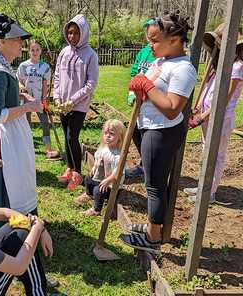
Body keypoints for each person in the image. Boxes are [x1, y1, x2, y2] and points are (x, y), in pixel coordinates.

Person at [119, 11, 196, 253]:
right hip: (148, 126)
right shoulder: (162, 61)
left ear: (174, 40)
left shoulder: (183, 69)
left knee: (154, 185)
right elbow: (145, 81)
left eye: (154, 40)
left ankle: (153, 238)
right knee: (151, 181)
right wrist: (140, 84)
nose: (149, 45)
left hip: (162, 131)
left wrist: (146, 85)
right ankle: (154, 227)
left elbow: (172, 109)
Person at [0, 13, 45, 236]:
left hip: (5, 133)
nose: (21, 43)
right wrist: (28, 108)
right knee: (4, 184)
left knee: (15, 181)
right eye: (16, 39)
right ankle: (3, 236)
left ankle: (17, 228)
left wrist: (20, 98)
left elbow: (3, 99)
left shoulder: (0, 65)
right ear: (0, 43)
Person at [185, 24, 243, 203]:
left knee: (216, 155)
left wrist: (204, 115)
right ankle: (203, 186)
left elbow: (223, 98)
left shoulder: (237, 67)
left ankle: (210, 192)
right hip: (207, 115)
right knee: (206, 151)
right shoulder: (219, 66)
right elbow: (207, 90)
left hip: (221, 118)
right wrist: (198, 107)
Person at [53, 14, 99, 189]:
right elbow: (57, 76)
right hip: (62, 103)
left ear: (83, 34)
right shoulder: (64, 52)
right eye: (69, 33)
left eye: (75, 33)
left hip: (78, 104)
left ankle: (78, 173)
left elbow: (91, 83)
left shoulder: (90, 55)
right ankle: (69, 168)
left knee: (73, 136)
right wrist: (57, 97)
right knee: (66, 136)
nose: (72, 36)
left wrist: (72, 100)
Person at [17, 40, 59, 159]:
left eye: (37, 50)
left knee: (45, 123)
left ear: (41, 51)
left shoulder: (44, 67)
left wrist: (45, 99)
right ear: (29, 51)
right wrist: (22, 87)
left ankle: (48, 149)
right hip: (25, 101)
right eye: (32, 50)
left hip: (39, 100)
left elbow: (45, 84)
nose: (35, 52)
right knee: (26, 124)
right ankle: (27, 148)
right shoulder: (23, 66)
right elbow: (19, 81)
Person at [125, 19, 156, 178]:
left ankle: (149, 167)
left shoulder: (160, 55)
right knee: (136, 132)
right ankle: (144, 163)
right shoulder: (144, 52)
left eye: (153, 34)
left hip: (151, 101)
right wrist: (131, 92)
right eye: (148, 34)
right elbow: (134, 72)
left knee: (146, 135)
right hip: (138, 101)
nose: (149, 37)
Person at [74, 119, 125, 216]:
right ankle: (89, 194)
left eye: (112, 134)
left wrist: (108, 180)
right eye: (106, 133)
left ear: (120, 137)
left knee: (98, 190)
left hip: (112, 185)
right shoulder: (103, 148)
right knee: (88, 179)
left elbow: (118, 173)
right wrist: (94, 167)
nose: (108, 136)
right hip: (101, 178)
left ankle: (96, 210)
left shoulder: (118, 156)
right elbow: (97, 157)